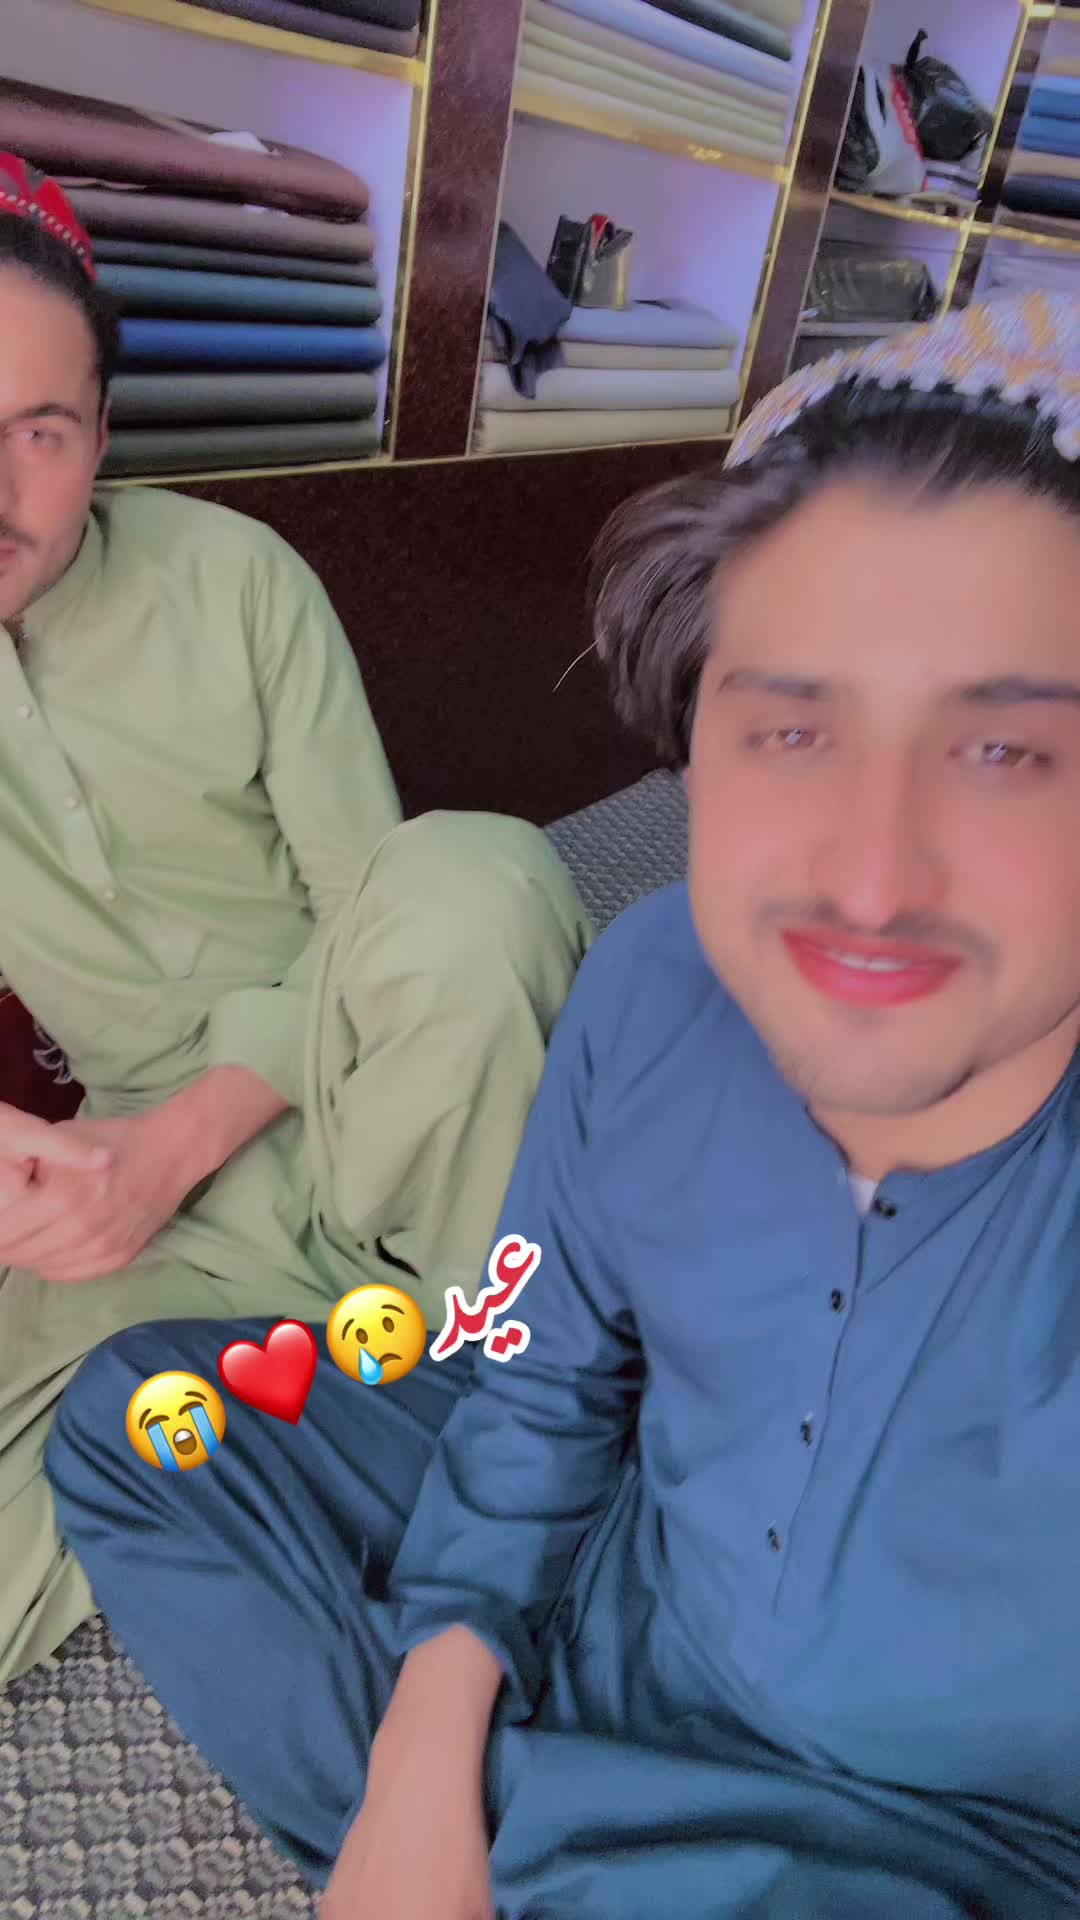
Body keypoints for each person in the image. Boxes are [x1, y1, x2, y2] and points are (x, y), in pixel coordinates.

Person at [47, 293, 1080, 1920]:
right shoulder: (654, 978)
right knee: (139, 1423)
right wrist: (432, 1725)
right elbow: (539, 1375)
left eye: (1007, 751)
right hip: (628, 1579)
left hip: (946, 1833)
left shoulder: (234, 585)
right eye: (792, 726)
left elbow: (369, 900)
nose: (871, 878)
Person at [0, 152, 591, 1686]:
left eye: (35, 432)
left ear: (100, 436)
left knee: (479, 883)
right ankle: (368, 1399)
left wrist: (173, 1147)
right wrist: (63, 1176)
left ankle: (493, 1382)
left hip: (371, 1097)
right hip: (145, 1218)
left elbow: (379, 904)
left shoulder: (237, 582)